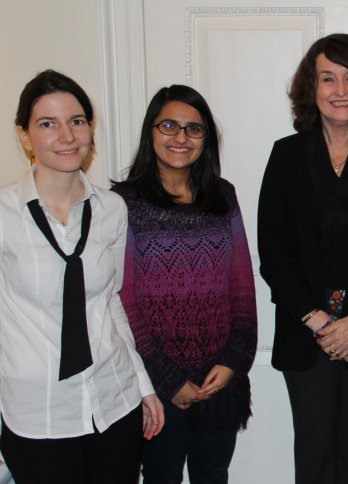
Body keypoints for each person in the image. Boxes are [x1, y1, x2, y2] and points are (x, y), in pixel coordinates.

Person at [257, 33, 348, 484]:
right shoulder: (285, 156)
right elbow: (273, 251)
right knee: (314, 462)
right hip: (307, 338)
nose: (340, 90)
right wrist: (319, 321)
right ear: (311, 89)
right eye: (327, 78)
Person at [0, 69, 164, 484]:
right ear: (25, 137)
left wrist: (143, 385)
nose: (66, 135)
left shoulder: (111, 209)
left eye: (77, 121)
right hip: (37, 414)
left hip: (114, 400)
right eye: (47, 124)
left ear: (91, 129)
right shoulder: (3, 215)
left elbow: (110, 301)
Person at [112, 84, 257, 484]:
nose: (181, 138)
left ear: (207, 139)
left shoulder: (222, 197)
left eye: (194, 129)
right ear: (151, 132)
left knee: (213, 475)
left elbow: (242, 288)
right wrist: (168, 379)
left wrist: (232, 362)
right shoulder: (122, 203)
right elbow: (121, 302)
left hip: (219, 381)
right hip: (154, 386)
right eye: (170, 126)